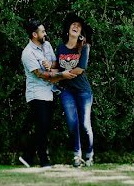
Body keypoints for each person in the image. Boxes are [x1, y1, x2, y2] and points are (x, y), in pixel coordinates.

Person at [19, 19, 76, 168]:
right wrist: (62, 75)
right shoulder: (27, 53)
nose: (45, 33)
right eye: (42, 31)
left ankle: (27, 157)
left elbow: (55, 64)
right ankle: (44, 160)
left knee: (43, 127)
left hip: (50, 92)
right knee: (42, 126)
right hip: (36, 94)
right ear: (34, 34)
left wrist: (51, 66)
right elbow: (40, 74)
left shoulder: (47, 45)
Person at [56, 13, 95, 167]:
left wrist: (62, 74)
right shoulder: (60, 46)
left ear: (81, 32)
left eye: (79, 26)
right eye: (73, 24)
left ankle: (89, 155)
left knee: (85, 124)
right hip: (67, 91)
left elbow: (80, 69)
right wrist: (50, 69)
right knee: (72, 122)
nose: (76, 26)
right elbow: (57, 65)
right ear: (68, 28)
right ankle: (76, 156)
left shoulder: (84, 47)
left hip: (83, 91)